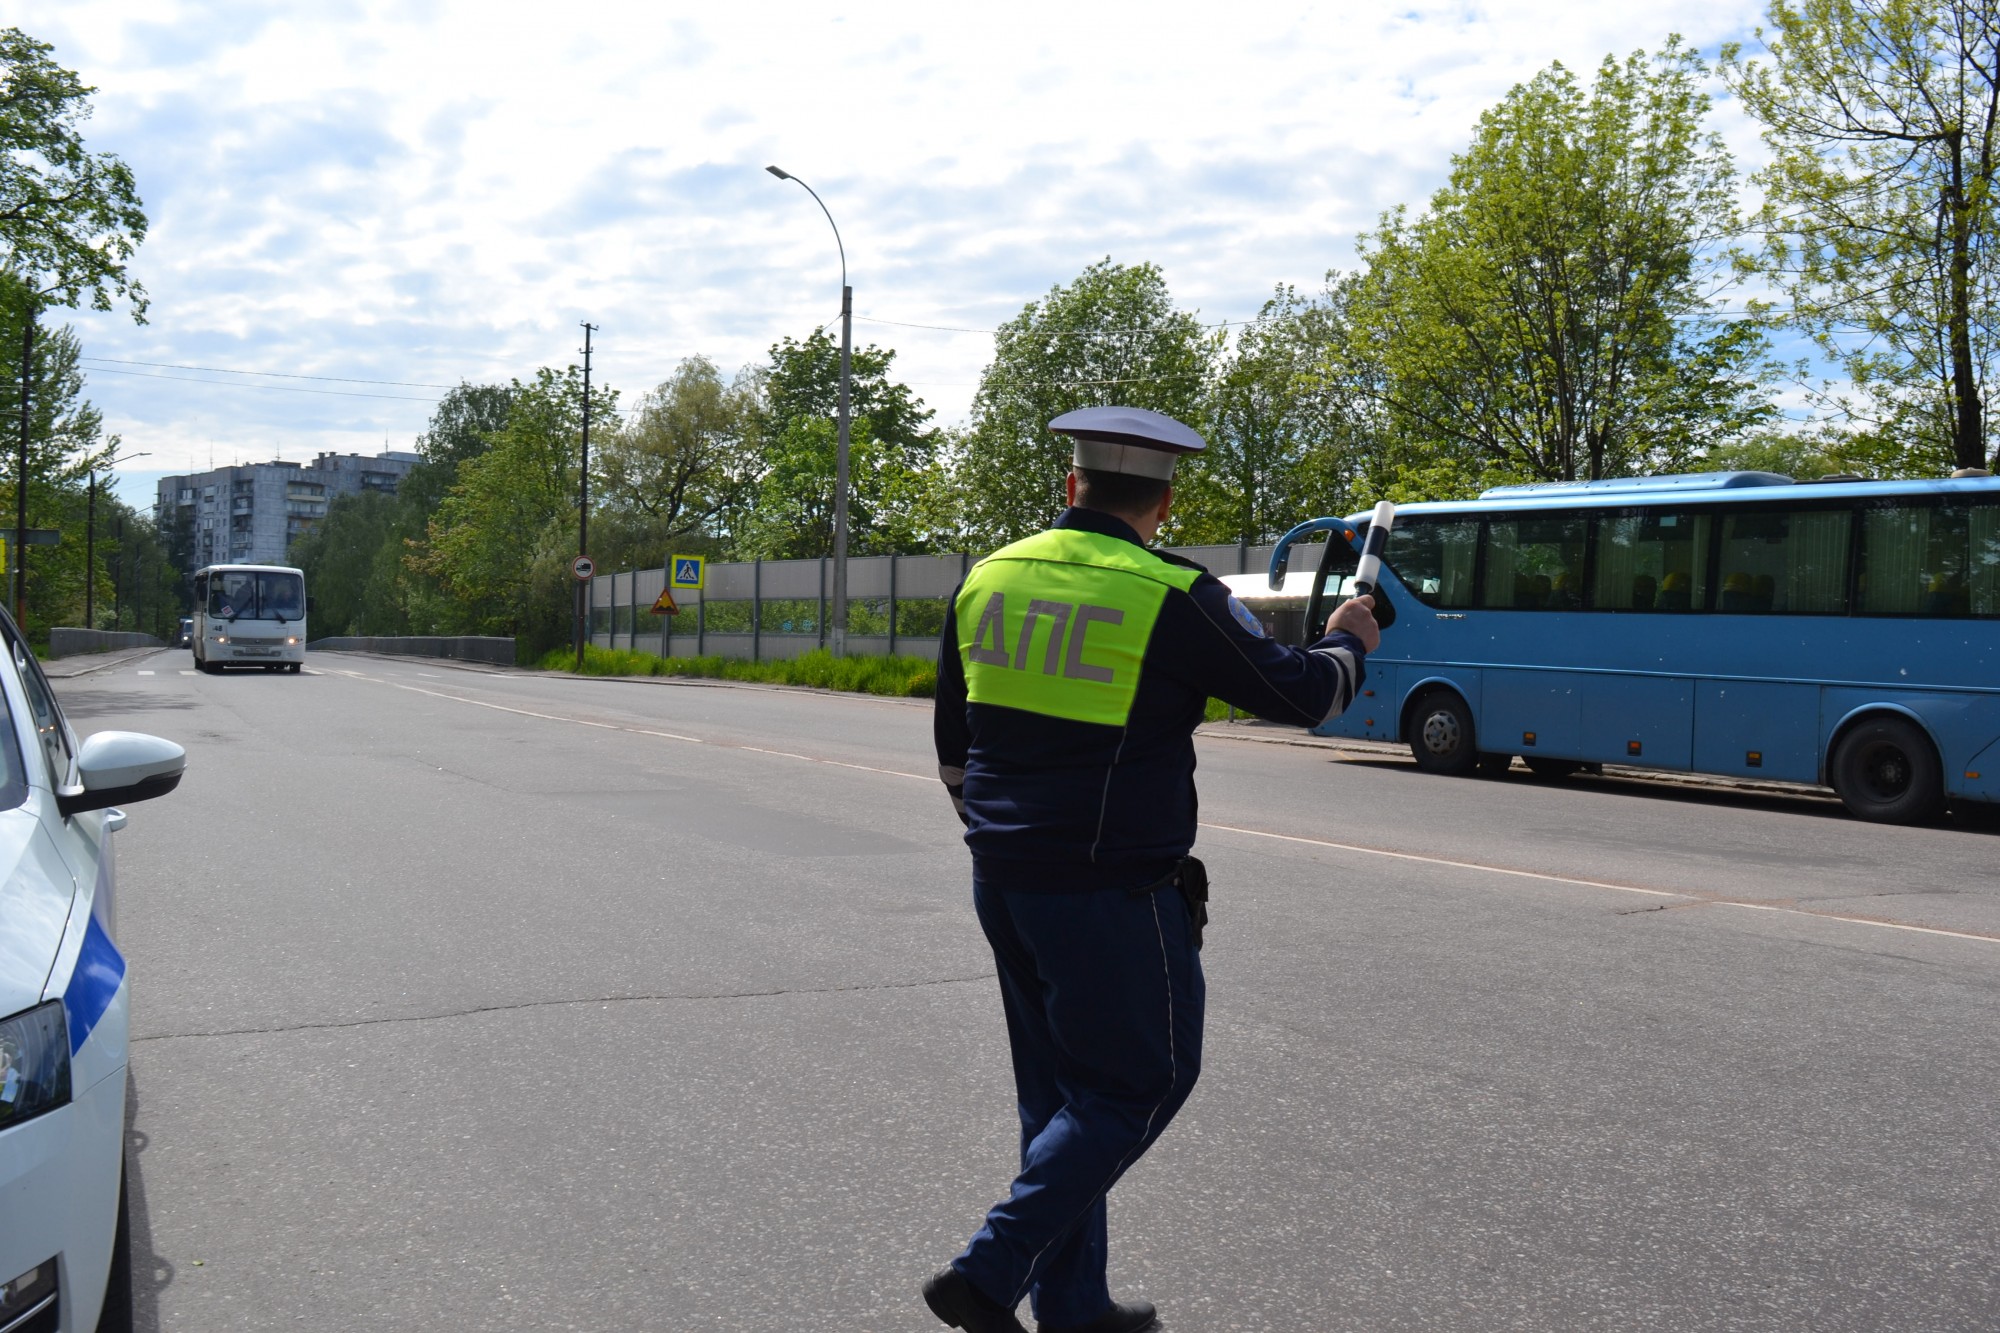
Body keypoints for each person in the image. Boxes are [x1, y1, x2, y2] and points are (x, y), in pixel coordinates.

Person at [924, 406, 1381, 1333]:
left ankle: (1075, 1306)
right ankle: (989, 1266)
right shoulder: (1171, 593)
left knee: (1061, 1101)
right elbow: (1302, 695)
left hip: (1002, 877)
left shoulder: (988, 577)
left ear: (1071, 487)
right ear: (1165, 503)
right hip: (1111, 889)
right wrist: (1352, 639)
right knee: (1140, 1082)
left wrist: (1012, 838)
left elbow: (952, 753)